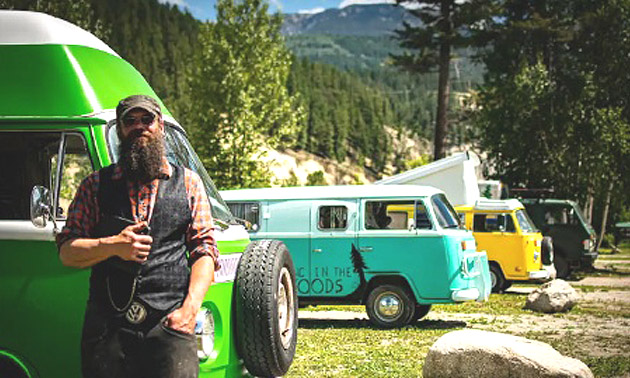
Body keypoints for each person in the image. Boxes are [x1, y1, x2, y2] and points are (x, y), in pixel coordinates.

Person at [56, 94, 220, 378]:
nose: (139, 126)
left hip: (170, 324)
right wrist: (113, 245)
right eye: (129, 121)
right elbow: (67, 252)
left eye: (147, 120)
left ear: (161, 127)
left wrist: (189, 310)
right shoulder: (94, 185)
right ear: (120, 130)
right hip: (108, 329)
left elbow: (204, 250)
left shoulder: (189, 183)